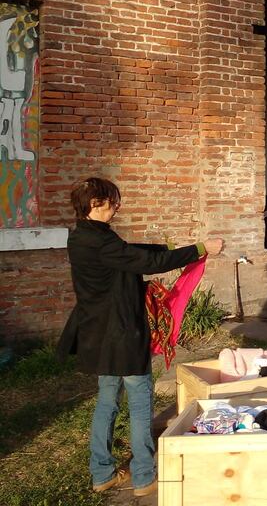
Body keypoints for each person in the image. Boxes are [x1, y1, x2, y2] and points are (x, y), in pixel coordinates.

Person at [57, 177, 224, 497]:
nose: (117, 206)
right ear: (95, 204)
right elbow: (147, 263)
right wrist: (200, 249)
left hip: (99, 335)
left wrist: (172, 248)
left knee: (107, 401)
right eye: (112, 201)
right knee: (139, 400)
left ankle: (102, 472)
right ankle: (145, 477)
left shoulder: (83, 237)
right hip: (122, 334)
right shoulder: (101, 241)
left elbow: (130, 252)